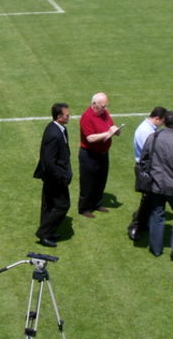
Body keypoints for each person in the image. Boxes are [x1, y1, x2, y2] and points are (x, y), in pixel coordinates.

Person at [142, 111, 173, 261]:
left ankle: (156, 249)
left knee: (157, 214)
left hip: (156, 185)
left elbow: (144, 159)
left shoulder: (153, 137)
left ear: (164, 122)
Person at [33, 103, 73, 248]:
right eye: (67, 115)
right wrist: (61, 177)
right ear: (59, 117)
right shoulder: (54, 134)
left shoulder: (59, 129)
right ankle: (43, 233)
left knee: (49, 204)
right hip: (54, 178)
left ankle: (47, 232)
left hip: (54, 176)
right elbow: (49, 160)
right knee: (62, 205)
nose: (69, 117)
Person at [77, 92, 121, 218]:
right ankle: (84, 208)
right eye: (103, 106)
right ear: (94, 104)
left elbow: (111, 126)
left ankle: (96, 203)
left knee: (101, 180)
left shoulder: (104, 114)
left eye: (106, 106)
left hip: (103, 153)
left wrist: (116, 131)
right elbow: (90, 138)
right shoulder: (87, 117)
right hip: (89, 154)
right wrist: (107, 133)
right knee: (88, 182)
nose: (105, 109)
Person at [128, 106, 167, 240]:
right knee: (148, 199)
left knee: (149, 198)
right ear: (157, 118)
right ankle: (135, 226)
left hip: (147, 167)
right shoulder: (146, 131)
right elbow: (150, 152)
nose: (162, 125)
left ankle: (142, 222)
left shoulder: (148, 129)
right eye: (162, 122)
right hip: (146, 168)